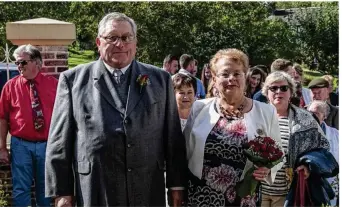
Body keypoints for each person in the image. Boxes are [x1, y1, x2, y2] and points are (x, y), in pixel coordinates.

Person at [45, 12, 187, 207]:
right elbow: (59, 142)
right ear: (98, 42)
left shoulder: (160, 79)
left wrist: (176, 185)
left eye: (127, 37)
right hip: (95, 187)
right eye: (112, 38)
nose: (120, 44)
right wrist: (61, 191)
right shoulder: (73, 80)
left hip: (147, 187)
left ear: (135, 42)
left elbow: (173, 138)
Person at [184, 48, 283, 206]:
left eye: (237, 73)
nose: (231, 78)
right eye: (224, 74)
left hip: (243, 198)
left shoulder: (266, 111)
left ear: (245, 76)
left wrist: (267, 170)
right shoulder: (198, 108)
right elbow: (184, 151)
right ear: (215, 79)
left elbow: (279, 153)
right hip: (200, 196)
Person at [260, 71, 330, 207]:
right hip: (257, 191)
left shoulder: (306, 118)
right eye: (273, 88)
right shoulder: (256, 116)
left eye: (284, 88)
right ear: (266, 92)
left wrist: (308, 165)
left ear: (290, 92)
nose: (278, 91)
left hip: (289, 194)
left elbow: (323, 146)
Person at [0, 44, 58, 206]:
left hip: (47, 145)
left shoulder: (53, 85)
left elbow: (64, 116)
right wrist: (2, 148)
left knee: (45, 190)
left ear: (37, 62)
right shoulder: (10, 87)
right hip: (20, 145)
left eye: (23, 62)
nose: (19, 66)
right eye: (17, 63)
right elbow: (2, 118)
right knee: (20, 190)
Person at [307, 100, 339, 206]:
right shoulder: (300, 132)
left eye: (316, 113)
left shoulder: (336, 135)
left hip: (330, 181)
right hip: (308, 181)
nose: (312, 116)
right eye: (310, 112)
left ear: (324, 116)